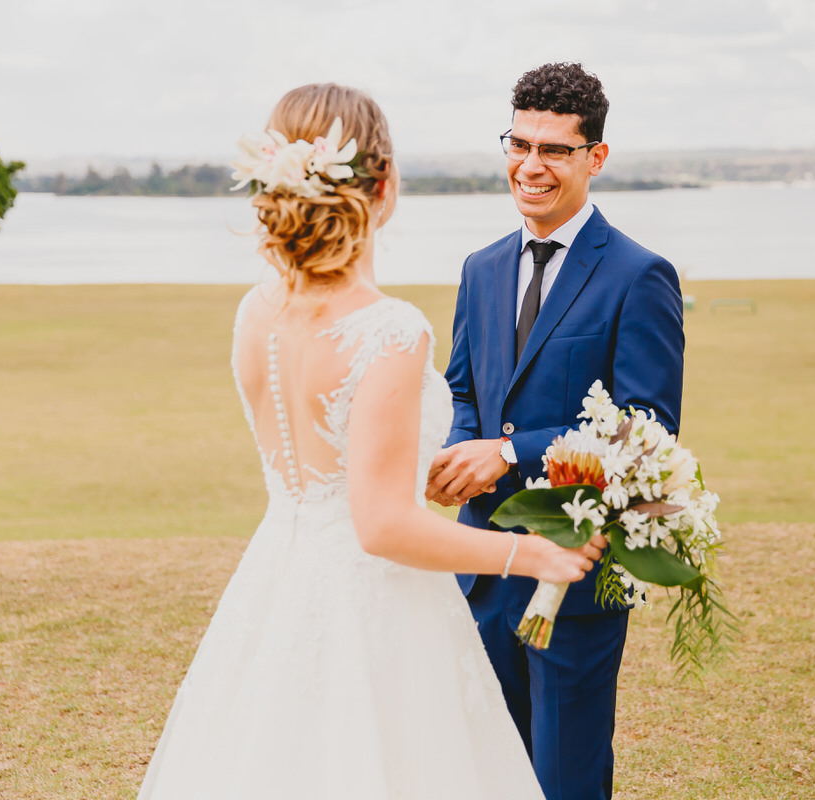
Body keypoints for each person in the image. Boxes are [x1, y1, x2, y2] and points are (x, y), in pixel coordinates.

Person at [136, 82, 606, 800]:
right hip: (373, 605)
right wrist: (531, 553)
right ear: (382, 185)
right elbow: (380, 525)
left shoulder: (256, 313)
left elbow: (329, 468)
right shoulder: (389, 329)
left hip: (277, 582)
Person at [426, 63, 686, 800]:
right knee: (486, 772)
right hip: (482, 563)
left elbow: (647, 430)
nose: (530, 165)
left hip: (576, 573)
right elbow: (465, 391)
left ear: (594, 158)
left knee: (565, 778)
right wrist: (458, 456)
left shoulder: (639, 275)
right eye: (519, 143)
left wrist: (508, 451)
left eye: (554, 150)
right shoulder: (479, 269)